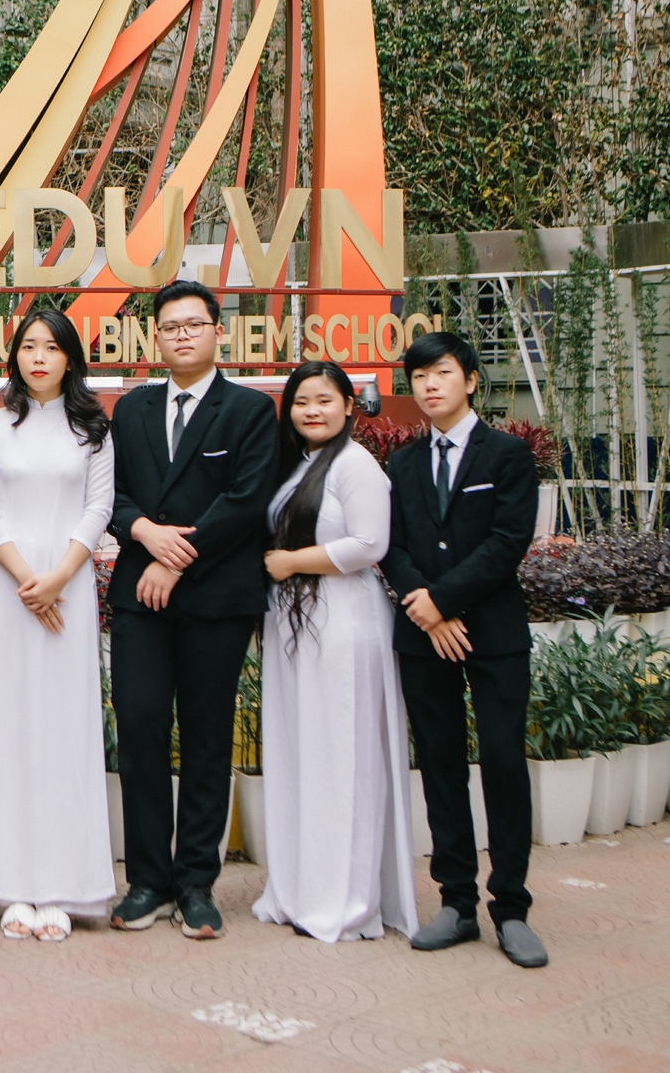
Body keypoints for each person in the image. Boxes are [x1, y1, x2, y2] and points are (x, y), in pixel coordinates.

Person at [104, 279, 277, 940]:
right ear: (156, 338)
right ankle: (148, 880)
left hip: (214, 598)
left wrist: (176, 560)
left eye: (193, 325)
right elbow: (112, 492)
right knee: (140, 730)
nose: (181, 335)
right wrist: (144, 533)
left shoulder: (249, 410)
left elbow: (246, 501)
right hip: (140, 598)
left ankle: (196, 883)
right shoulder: (133, 409)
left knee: (207, 737)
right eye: (170, 327)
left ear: (217, 332)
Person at [382, 331, 547, 969]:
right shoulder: (401, 464)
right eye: (420, 376)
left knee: (503, 761)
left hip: (493, 634)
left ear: (471, 380)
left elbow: (508, 542)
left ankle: (512, 908)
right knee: (441, 764)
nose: (430, 385)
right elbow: (391, 545)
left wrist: (442, 601)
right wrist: (421, 604)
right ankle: (456, 903)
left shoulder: (507, 455)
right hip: (424, 637)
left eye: (443, 372)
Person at [0, 308, 117, 942]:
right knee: (7, 729)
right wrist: (29, 580)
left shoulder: (92, 429)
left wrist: (59, 578)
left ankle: (61, 886)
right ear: (15, 357)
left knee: (63, 730)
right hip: (7, 591)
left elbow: (99, 507)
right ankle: (11, 885)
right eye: (29, 347)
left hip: (68, 592)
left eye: (52, 347)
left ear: (70, 357)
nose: (40, 358)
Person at [250, 360, 418, 944]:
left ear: (350, 405)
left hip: (344, 619)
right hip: (295, 622)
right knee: (302, 753)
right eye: (301, 401)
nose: (312, 411)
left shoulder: (356, 464)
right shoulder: (298, 466)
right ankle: (300, 888)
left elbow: (371, 544)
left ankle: (346, 901)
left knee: (344, 756)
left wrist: (291, 562)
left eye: (324, 400)